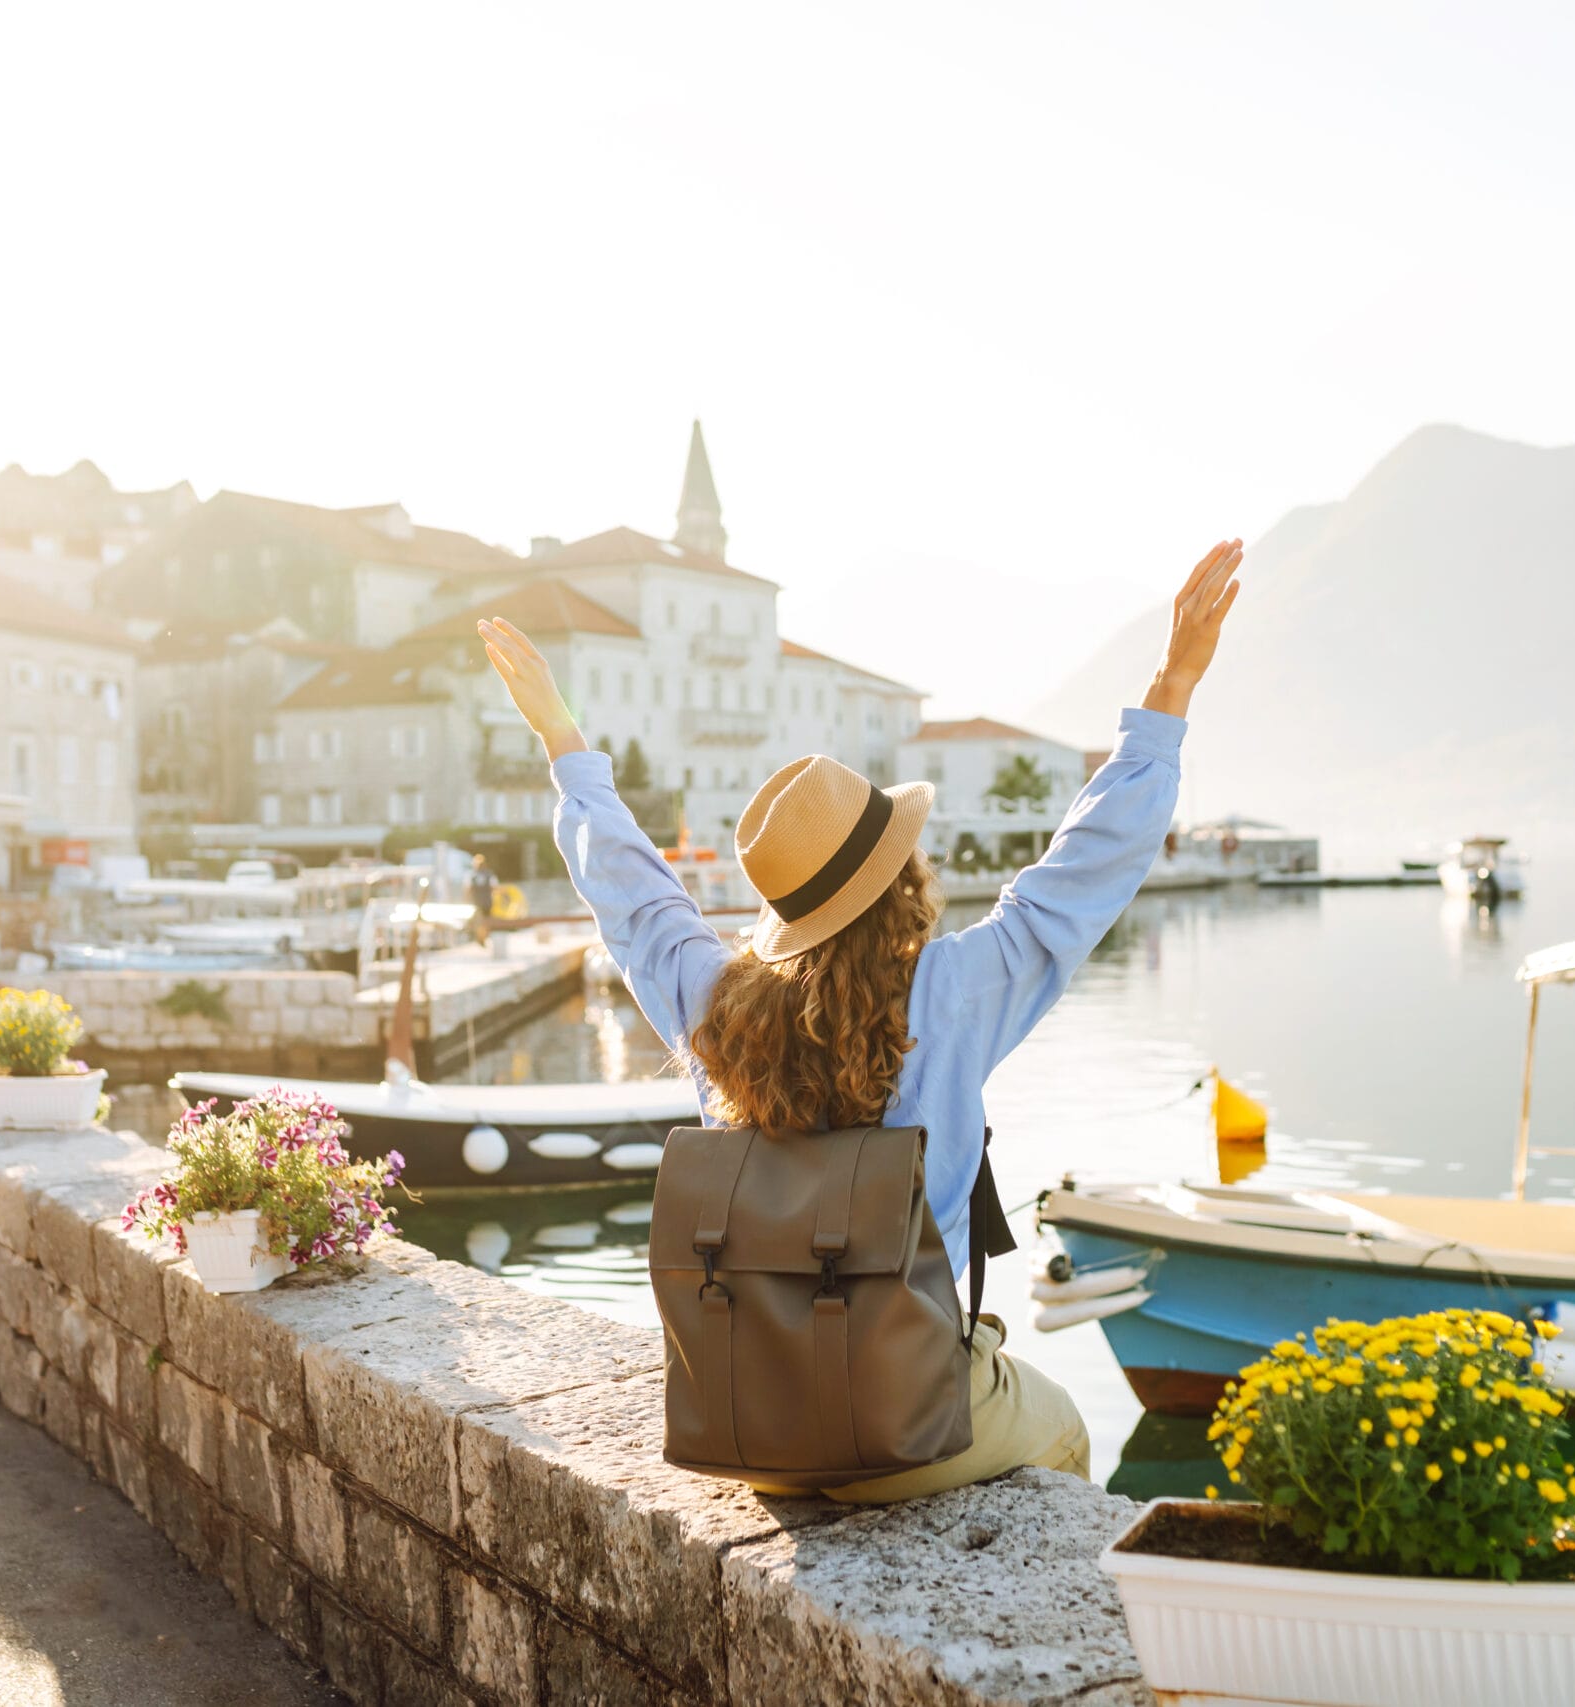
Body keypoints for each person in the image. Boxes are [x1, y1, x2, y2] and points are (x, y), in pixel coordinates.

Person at [478, 538, 1245, 1501]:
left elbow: (634, 897)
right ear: (900, 882)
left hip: (756, 1431)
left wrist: (563, 739)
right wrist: (1170, 688)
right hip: (902, 1425)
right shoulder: (950, 993)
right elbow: (1077, 880)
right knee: (1064, 1431)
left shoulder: (714, 1001)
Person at [464, 852, 496, 946]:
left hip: (477, 902)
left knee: (479, 921)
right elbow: (494, 888)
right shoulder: (489, 874)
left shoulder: (471, 875)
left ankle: (480, 938)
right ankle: (483, 937)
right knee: (485, 921)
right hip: (486, 902)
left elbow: (468, 889)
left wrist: (466, 900)